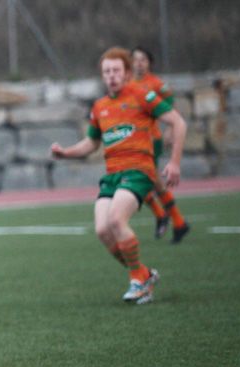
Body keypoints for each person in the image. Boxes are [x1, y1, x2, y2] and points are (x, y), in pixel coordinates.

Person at [50, 47, 187, 304]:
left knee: (116, 219)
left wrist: (175, 162)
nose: (111, 75)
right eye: (106, 71)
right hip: (113, 175)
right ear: (102, 76)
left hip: (138, 170)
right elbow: (91, 143)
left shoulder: (142, 95)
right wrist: (65, 153)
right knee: (103, 230)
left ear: (126, 74)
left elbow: (178, 122)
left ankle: (138, 281)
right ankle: (143, 274)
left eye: (116, 70)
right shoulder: (100, 107)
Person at [131, 45, 191, 243]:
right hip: (133, 141)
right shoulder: (128, 84)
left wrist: (170, 130)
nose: (139, 63)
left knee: (146, 180)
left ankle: (168, 217)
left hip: (150, 140)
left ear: (149, 63)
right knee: (146, 181)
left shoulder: (156, 84)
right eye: (135, 59)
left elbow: (171, 110)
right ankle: (175, 220)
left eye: (143, 60)